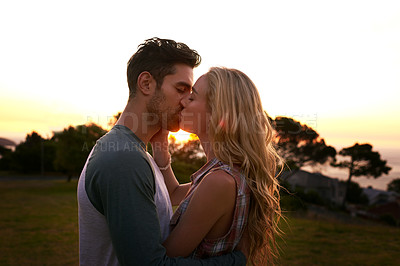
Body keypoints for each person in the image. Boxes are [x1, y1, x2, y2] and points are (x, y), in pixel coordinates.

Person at [77, 38, 247, 265]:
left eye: (191, 93)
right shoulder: (124, 159)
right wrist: (236, 261)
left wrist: (162, 154)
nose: (187, 100)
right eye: (181, 89)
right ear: (146, 84)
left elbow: (179, 193)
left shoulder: (138, 154)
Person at [152, 67, 283, 265]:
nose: (182, 101)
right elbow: (173, 193)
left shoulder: (218, 182)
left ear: (217, 114)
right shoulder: (228, 173)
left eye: (192, 98)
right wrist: (160, 145)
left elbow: (161, 261)